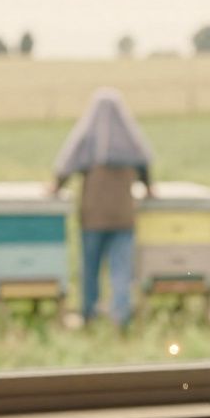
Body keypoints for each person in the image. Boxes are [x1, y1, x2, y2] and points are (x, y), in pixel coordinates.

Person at [51, 88, 154, 328]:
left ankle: (89, 316)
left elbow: (65, 166)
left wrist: (55, 186)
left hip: (93, 217)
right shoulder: (130, 139)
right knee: (121, 271)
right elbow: (145, 167)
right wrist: (149, 187)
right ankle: (121, 319)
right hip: (123, 218)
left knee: (90, 269)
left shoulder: (87, 139)